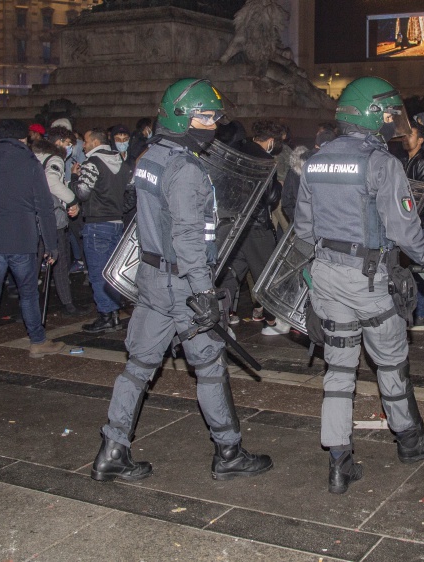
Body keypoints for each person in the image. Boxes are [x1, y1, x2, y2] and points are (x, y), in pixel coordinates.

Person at [92, 78, 272, 482]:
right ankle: (228, 452)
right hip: (185, 286)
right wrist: (204, 291)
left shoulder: (151, 157)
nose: (212, 124)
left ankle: (112, 450)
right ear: (180, 116)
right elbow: (189, 236)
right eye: (205, 117)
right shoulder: (186, 168)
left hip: (152, 278)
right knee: (209, 367)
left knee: (137, 367)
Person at [293, 76, 424, 494]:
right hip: (368, 281)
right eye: (386, 113)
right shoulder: (382, 163)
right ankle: (410, 440)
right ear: (371, 115)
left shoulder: (316, 160)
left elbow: (303, 231)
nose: (390, 121)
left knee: (339, 368)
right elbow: (406, 231)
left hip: (326, 278)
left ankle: (339, 460)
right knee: (391, 361)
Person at [0, 119, 64, 373]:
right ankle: (37, 341)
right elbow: (44, 207)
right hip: (22, 237)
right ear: (23, 140)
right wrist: (51, 244)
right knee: (28, 293)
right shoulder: (30, 163)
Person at [219, 120, 286, 335]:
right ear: (271, 141)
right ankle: (272, 321)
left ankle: (221, 321)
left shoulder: (236, 151)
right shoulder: (266, 160)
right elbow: (271, 196)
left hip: (233, 224)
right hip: (256, 225)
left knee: (231, 273)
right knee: (267, 274)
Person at [71, 128, 129, 334]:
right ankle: (114, 314)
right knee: (112, 273)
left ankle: (106, 315)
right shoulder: (121, 161)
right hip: (117, 223)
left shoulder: (92, 163)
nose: (83, 146)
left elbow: (83, 192)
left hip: (97, 224)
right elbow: (130, 192)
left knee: (97, 273)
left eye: (85, 142)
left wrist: (74, 178)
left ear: (95, 142)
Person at [34, 130, 86, 316]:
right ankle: (68, 303)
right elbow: (52, 183)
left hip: (32, 219)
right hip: (53, 220)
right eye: (69, 143)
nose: (71, 148)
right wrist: (72, 201)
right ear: (59, 141)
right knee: (61, 262)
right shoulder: (54, 159)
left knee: (34, 264)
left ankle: (30, 305)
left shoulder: (34, 156)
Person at [401, 121, 424, 330]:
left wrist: (411, 221)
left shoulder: (422, 162)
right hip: (416, 223)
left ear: (421, 140)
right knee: (417, 270)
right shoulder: (409, 160)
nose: (407, 138)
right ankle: (422, 312)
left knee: (423, 270)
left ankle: (422, 315)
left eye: (411, 134)